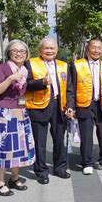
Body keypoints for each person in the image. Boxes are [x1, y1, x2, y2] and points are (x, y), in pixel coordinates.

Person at [0, 40, 35, 196]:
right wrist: (10, 78)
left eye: (22, 51)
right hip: (3, 113)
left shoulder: (25, 71)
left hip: (20, 112)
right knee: (2, 147)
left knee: (19, 147)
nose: (19, 53)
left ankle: (14, 178)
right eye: (15, 50)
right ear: (9, 52)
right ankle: (0, 182)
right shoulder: (1, 68)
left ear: (26, 54)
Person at [66, 38, 102, 175]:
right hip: (84, 104)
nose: (96, 50)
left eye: (99, 48)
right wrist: (71, 106)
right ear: (88, 49)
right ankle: (87, 162)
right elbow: (71, 88)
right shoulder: (77, 65)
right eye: (93, 47)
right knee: (86, 135)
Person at [25, 37, 70, 184]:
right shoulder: (31, 63)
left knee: (59, 139)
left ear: (57, 50)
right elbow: (26, 84)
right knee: (40, 141)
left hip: (59, 106)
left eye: (52, 48)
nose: (49, 51)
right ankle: (41, 171)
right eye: (46, 48)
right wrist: (41, 83)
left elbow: (70, 89)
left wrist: (70, 106)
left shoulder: (64, 65)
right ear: (40, 50)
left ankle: (60, 168)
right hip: (39, 106)